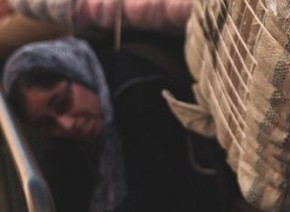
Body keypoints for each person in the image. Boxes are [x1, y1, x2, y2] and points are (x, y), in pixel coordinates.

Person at [1, 33, 234, 212]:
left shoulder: (139, 94)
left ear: (75, 73)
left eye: (62, 103)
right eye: (47, 124)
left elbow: (156, 194)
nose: (66, 125)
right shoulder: (74, 127)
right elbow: (62, 179)